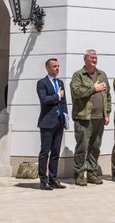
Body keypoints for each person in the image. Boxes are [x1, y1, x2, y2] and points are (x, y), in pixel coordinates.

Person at [70, 49, 111, 186]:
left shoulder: (102, 74)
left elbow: (108, 95)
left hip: (99, 118)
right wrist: (94, 89)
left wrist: (107, 113)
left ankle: (92, 173)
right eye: (92, 58)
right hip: (84, 118)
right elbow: (76, 92)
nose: (94, 60)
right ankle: (79, 174)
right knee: (82, 147)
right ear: (85, 59)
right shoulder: (78, 75)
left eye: (95, 57)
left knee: (95, 147)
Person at [37, 57, 69, 190]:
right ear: (47, 68)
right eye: (54, 66)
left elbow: (63, 102)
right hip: (47, 122)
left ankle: (53, 178)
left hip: (59, 121)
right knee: (45, 152)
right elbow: (44, 99)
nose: (57, 68)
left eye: (58, 66)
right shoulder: (42, 83)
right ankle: (43, 180)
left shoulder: (60, 82)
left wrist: (65, 118)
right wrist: (57, 95)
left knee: (56, 151)